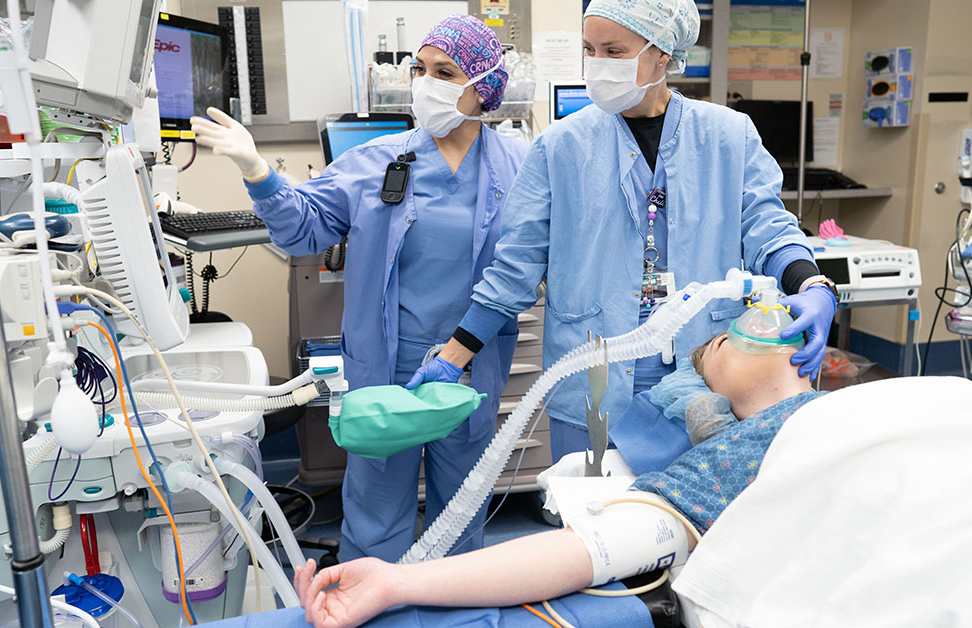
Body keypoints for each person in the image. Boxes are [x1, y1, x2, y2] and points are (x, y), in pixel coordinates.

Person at [403, 0, 839, 462]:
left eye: (614, 50)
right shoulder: (560, 147)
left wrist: (812, 285)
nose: (597, 64)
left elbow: (768, 229)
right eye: (590, 49)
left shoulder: (729, 136)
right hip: (593, 378)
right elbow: (515, 269)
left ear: (662, 55)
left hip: (708, 379)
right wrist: (452, 356)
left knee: (697, 520)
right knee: (596, 519)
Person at [190, 15, 528, 562]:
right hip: (383, 370)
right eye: (419, 69)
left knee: (461, 514)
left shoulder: (520, 167)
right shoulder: (377, 162)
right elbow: (303, 228)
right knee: (375, 513)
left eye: (444, 72)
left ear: (483, 84)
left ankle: (459, 607)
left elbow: (526, 265)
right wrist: (258, 170)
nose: (424, 83)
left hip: (468, 367)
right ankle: (369, 603)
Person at [291, 328, 819, 628]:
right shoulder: (729, 455)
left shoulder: (861, 401)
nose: (770, 318)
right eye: (726, 338)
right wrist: (395, 582)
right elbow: (591, 550)